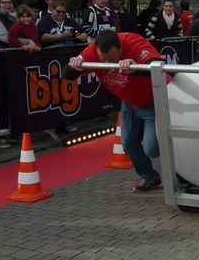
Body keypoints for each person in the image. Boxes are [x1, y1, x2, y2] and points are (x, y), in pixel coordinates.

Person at [70, 31, 164, 192]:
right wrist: (74, 64)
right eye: (104, 60)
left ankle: (182, 168)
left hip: (153, 102)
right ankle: (149, 176)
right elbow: (67, 74)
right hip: (129, 103)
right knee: (128, 144)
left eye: (112, 59)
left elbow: (157, 66)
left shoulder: (133, 42)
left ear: (120, 48)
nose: (109, 64)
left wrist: (135, 67)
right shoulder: (93, 49)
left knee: (152, 149)